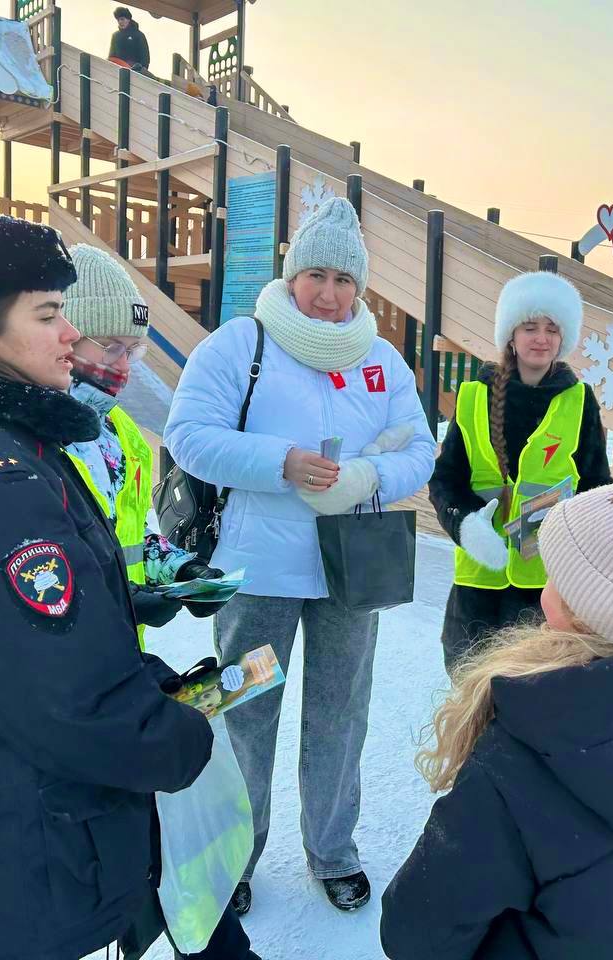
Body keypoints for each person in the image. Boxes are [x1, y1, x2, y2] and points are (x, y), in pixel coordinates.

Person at [0, 215, 257, 959]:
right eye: (49, 316)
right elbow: (64, 703)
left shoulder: (5, 446)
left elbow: (41, 651)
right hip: (27, 843)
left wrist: (154, 682)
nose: (71, 337)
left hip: (22, 825)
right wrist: (175, 735)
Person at [164, 197, 436, 914]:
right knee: (246, 707)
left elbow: (420, 448)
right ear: (291, 276)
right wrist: (279, 461)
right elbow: (188, 433)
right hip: (260, 572)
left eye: (344, 280)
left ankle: (332, 849)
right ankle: (236, 854)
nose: (329, 293)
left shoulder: (381, 362)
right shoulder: (239, 344)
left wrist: (371, 477)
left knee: (341, 712)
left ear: (361, 288)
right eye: (315, 274)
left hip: (352, 569)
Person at [381, 478, 613, 959]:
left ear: (582, 611)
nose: (544, 592)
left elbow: (416, 931)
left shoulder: (524, 749)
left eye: (557, 580)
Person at [428, 271, 611, 673]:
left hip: (545, 590)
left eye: (551, 328)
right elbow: (446, 480)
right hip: (478, 586)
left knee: (533, 698)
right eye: (530, 326)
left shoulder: (578, 401)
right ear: (510, 335)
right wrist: (465, 527)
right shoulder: (474, 397)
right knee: (471, 697)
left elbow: (596, 486)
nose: (541, 338)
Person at [61, 244, 223, 643]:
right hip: (56, 661)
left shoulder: (120, 432)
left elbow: (130, 539)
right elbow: (30, 567)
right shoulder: (28, 440)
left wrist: (183, 570)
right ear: (66, 335)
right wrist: (116, 598)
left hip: (116, 652)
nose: (124, 364)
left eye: (133, 350)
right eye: (111, 346)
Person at [109, 6, 151, 73]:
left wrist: (141, 68)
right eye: (118, 20)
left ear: (128, 19)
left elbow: (145, 58)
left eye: (122, 19)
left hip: (135, 71)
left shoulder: (139, 35)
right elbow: (111, 56)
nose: (120, 22)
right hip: (118, 70)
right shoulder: (115, 36)